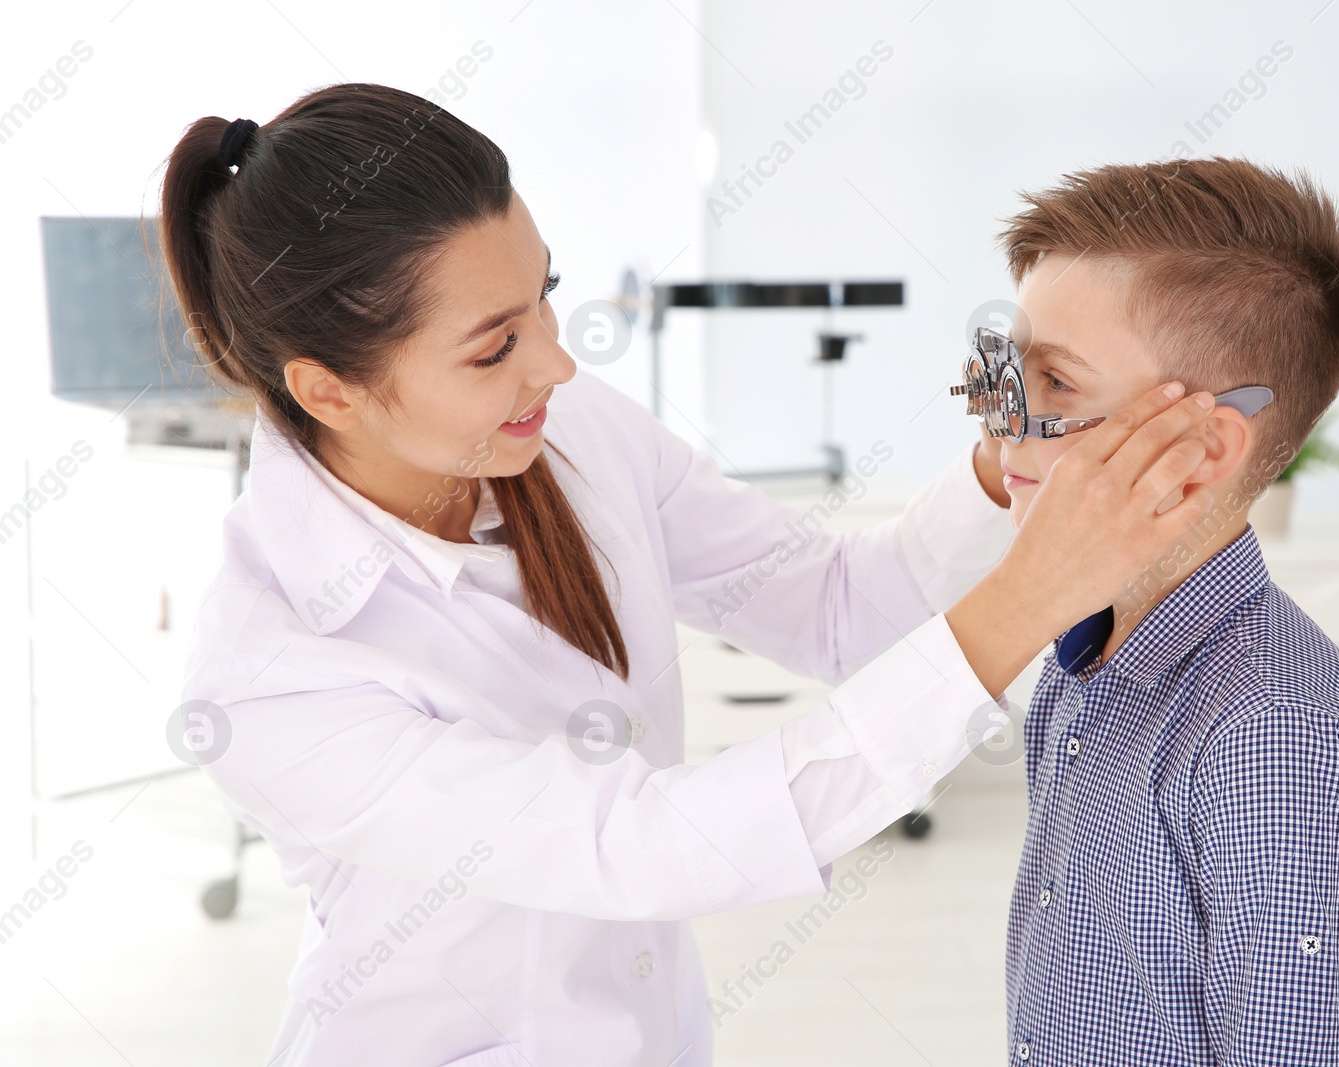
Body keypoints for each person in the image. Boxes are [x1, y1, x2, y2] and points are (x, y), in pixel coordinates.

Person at [166, 83, 1219, 1067]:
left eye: (545, 297)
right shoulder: (269, 677)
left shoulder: (566, 436)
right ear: (329, 390)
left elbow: (840, 607)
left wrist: (1006, 460)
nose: (559, 363)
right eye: (494, 347)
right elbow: (645, 845)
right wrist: (1035, 591)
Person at [982, 158, 1339, 1066]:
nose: (1003, 422)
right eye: (1007, 374)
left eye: (1057, 385)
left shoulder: (1269, 735)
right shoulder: (1084, 654)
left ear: (1200, 447)